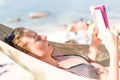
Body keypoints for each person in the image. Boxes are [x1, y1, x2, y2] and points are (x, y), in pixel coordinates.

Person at [4, 26, 119, 80]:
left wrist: (94, 44)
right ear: (29, 54)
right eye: (37, 38)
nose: (44, 36)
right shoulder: (57, 75)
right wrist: (114, 52)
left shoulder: (57, 55)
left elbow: (90, 66)